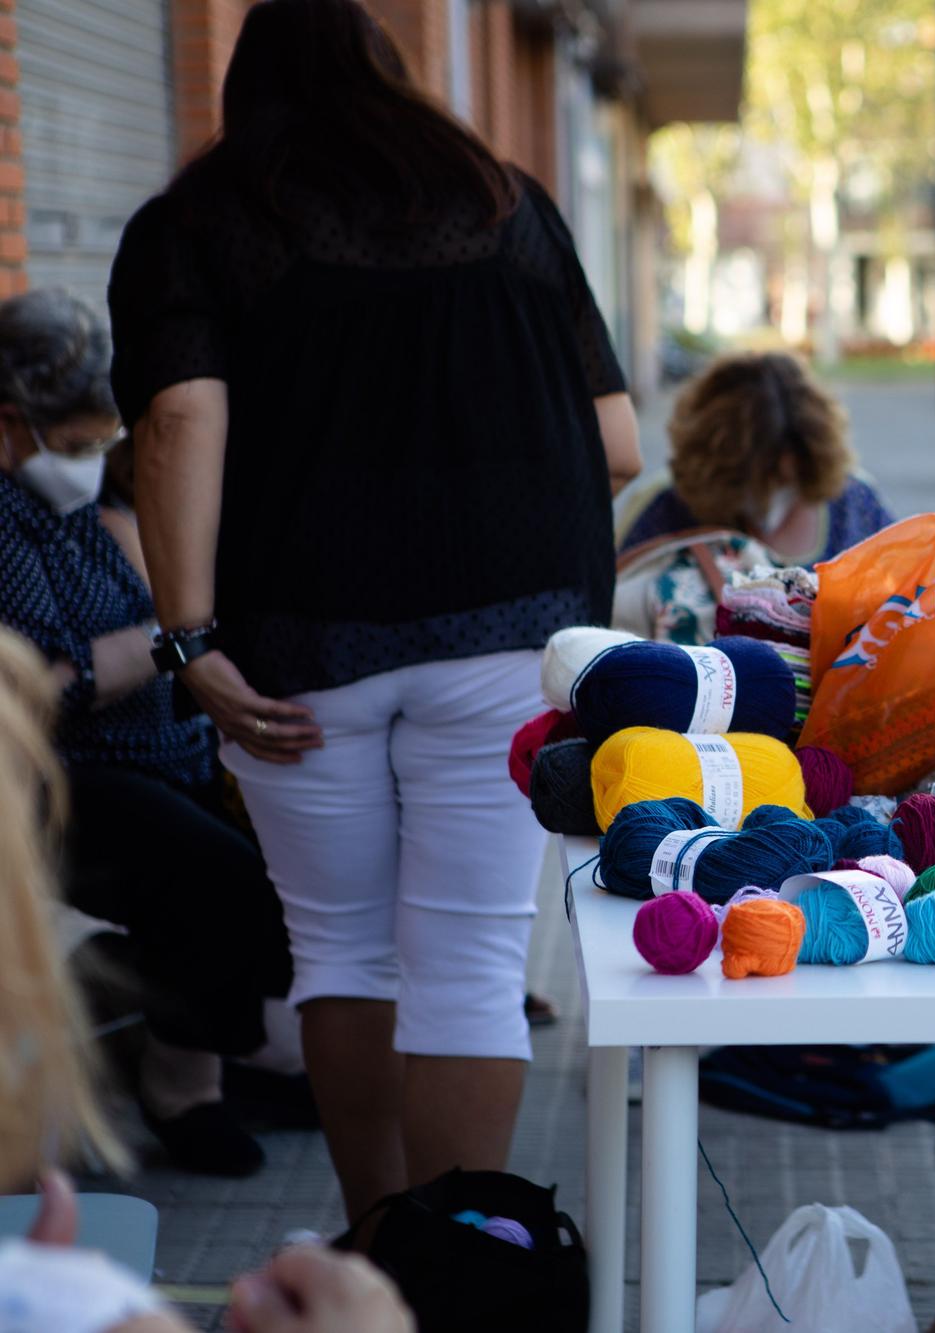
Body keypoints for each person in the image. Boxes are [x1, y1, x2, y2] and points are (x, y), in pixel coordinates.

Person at [107, 0, 640, 1223]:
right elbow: (615, 443)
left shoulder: (196, 223)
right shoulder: (509, 206)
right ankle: (468, 1271)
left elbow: (183, 421)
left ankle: (380, 1251)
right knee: (469, 965)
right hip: (513, 630)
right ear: (396, 80)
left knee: (341, 950)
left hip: (303, 642)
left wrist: (188, 638)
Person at [0, 627, 413, 1333]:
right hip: (95, 772)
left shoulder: (102, 529)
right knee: (217, 874)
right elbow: (53, 683)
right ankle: (184, 1065)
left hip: (171, 757)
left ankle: (236, 1049)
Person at [0, 288, 291, 1177]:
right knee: (217, 877)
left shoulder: (75, 514)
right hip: (55, 775)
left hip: (150, 758)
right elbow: (36, 686)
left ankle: (212, 1047)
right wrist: (162, 647)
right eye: (80, 443)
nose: (93, 460)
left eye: (102, 443)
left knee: (284, 859)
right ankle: (179, 1078)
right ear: (13, 425)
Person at [619, 350, 894, 564]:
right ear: (717, 466)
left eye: (784, 479)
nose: (769, 499)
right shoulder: (661, 507)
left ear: (811, 459)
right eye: (756, 481)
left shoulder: (855, 503)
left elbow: (909, 593)